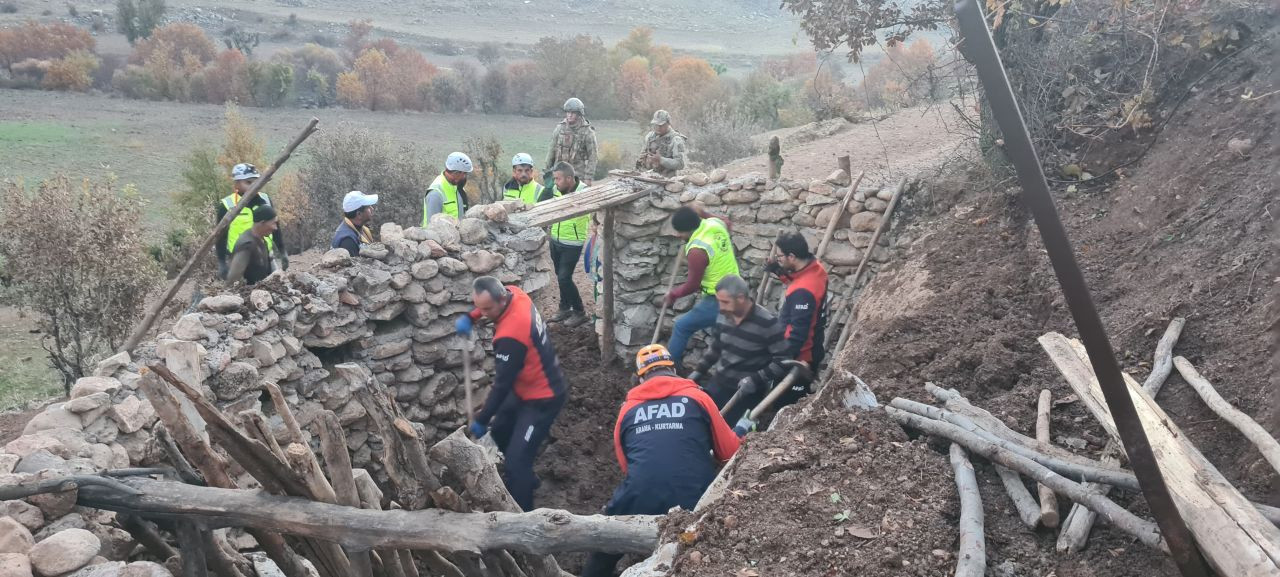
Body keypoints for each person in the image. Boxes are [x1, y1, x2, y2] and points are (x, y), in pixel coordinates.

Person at [581, 344, 740, 577]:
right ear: (674, 369)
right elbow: (729, 453)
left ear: (639, 378)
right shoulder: (699, 398)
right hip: (696, 497)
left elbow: (627, 464)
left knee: (605, 547)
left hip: (640, 493)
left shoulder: (628, 410)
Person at [454, 276, 567, 511]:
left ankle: (523, 519)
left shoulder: (511, 334)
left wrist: (482, 419)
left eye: (486, 309)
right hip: (524, 386)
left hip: (542, 398)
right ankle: (525, 478)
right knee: (501, 432)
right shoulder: (516, 294)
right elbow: (508, 385)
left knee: (516, 463)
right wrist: (470, 316)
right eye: (479, 307)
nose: (482, 313)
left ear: (501, 299)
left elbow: (502, 385)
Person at [688, 275, 790, 426]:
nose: (720, 307)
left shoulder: (767, 323)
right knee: (700, 423)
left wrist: (755, 379)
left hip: (744, 394)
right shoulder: (724, 316)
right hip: (718, 384)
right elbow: (716, 348)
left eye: (725, 302)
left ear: (741, 298)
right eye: (719, 301)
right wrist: (696, 373)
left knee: (730, 435)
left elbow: (783, 360)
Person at [665, 206, 740, 368]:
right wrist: (703, 212)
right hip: (737, 289)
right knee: (722, 336)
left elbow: (692, 285)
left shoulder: (697, 250)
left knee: (682, 326)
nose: (678, 235)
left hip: (719, 299)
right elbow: (727, 222)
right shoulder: (715, 224)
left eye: (680, 232)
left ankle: (669, 369)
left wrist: (673, 294)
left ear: (689, 229)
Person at [766, 231, 829, 408]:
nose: (777, 259)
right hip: (812, 347)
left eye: (780, 257)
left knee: (786, 406)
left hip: (799, 358)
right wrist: (779, 271)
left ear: (791, 256)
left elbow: (798, 334)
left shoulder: (803, 292)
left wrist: (781, 360)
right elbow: (798, 278)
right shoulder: (816, 269)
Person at [216, 163, 287, 279]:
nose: (254, 186)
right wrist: (222, 262)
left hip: (265, 256)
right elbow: (220, 236)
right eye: (248, 182)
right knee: (240, 292)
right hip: (239, 258)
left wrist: (282, 251)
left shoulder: (265, 199)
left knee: (275, 286)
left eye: (256, 182)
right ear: (237, 183)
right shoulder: (227, 205)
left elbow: (275, 227)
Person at [545, 162, 590, 327]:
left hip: (572, 243)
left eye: (558, 179)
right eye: (554, 178)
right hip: (555, 239)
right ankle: (564, 308)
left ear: (569, 179)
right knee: (560, 276)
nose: (555, 182)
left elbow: (596, 213)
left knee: (564, 277)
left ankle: (580, 312)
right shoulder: (557, 190)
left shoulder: (584, 192)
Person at [545, 97, 597, 187]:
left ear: (579, 114)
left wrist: (588, 178)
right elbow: (552, 151)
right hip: (559, 175)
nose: (569, 115)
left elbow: (593, 157)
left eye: (573, 113)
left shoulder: (587, 132)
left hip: (577, 177)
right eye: (568, 112)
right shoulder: (560, 129)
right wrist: (547, 171)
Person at [225, 205, 280, 286]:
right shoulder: (247, 245)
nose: (275, 228)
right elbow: (232, 280)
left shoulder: (261, 239)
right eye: (273, 223)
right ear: (262, 223)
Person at [423, 152, 473, 224]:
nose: (464, 177)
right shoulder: (435, 194)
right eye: (464, 173)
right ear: (457, 173)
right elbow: (431, 227)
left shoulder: (458, 188)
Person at [636, 109, 687, 178]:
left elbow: (680, 164)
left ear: (668, 123)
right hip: (647, 176)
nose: (658, 128)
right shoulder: (650, 137)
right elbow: (642, 156)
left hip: (666, 180)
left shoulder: (676, 139)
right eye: (656, 125)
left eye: (661, 125)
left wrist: (660, 160)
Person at [332, 190, 378, 257]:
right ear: (359, 214)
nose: (372, 209)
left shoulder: (362, 229)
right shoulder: (347, 241)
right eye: (368, 207)